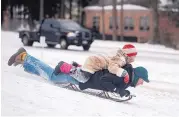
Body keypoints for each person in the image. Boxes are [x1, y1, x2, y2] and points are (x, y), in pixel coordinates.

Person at [8, 47, 149, 98]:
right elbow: (104, 80)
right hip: (82, 79)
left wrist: (122, 90)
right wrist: (118, 90)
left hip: (87, 73)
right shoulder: (122, 76)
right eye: (143, 80)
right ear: (137, 77)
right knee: (52, 76)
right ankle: (25, 57)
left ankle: (25, 62)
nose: (142, 83)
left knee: (51, 75)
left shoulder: (124, 73)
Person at [54, 44, 137, 83]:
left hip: (95, 61)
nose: (134, 59)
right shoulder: (121, 59)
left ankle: (76, 65)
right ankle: (64, 66)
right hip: (94, 63)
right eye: (134, 56)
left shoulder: (119, 55)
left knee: (87, 71)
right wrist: (124, 74)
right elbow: (112, 68)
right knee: (83, 78)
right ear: (128, 55)